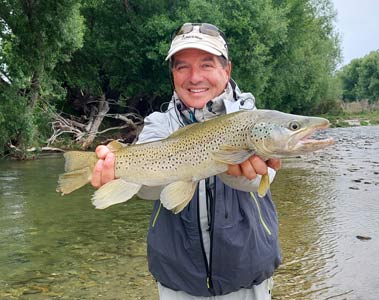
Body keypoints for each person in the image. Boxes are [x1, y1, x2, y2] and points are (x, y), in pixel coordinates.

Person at [91, 23, 282, 299]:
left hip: (246, 277)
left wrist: (236, 173)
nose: (194, 77)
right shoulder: (158, 124)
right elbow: (149, 190)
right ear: (173, 74)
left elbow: (262, 180)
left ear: (226, 71)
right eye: (182, 67)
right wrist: (117, 171)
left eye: (206, 65)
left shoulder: (250, 118)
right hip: (177, 281)